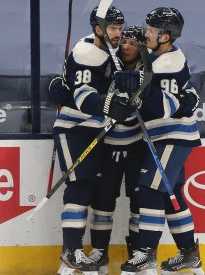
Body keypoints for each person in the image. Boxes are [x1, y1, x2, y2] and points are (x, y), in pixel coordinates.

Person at [115, 7, 204, 275]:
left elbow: (165, 106)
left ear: (166, 36)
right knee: (170, 196)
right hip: (164, 136)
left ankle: (146, 254)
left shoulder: (168, 63)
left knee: (150, 190)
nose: (146, 33)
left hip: (172, 136)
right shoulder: (157, 57)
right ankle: (189, 254)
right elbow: (185, 91)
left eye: (152, 30)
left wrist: (138, 89)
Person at [52, 5, 133, 275]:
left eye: (119, 28)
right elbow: (84, 98)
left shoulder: (113, 51)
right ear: (98, 29)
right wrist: (111, 105)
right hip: (74, 129)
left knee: (101, 192)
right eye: (112, 28)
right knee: (80, 186)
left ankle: (98, 255)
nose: (117, 33)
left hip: (99, 130)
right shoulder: (87, 51)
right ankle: (71, 252)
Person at [87, 25, 147, 274]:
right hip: (107, 146)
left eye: (133, 43)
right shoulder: (107, 65)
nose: (126, 47)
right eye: (124, 42)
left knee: (139, 202)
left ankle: (136, 254)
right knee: (102, 200)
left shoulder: (150, 68)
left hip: (137, 147)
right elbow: (88, 90)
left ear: (142, 46)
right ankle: (99, 252)